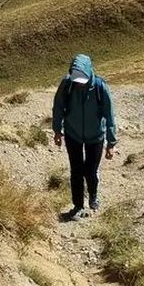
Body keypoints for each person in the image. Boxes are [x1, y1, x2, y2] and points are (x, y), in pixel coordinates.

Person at [52, 53, 116, 219]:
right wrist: (57, 131)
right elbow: (58, 107)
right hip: (73, 134)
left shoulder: (100, 87)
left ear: (89, 72)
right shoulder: (67, 85)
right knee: (76, 170)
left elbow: (110, 116)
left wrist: (111, 143)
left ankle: (93, 196)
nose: (79, 82)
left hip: (95, 136)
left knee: (90, 170)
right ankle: (78, 205)